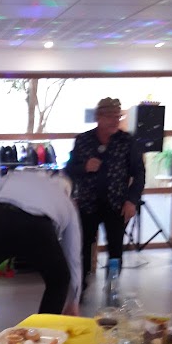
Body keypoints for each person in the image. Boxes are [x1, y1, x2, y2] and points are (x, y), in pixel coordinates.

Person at [0, 169, 81, 319]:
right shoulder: (68, 203)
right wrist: (74, 302)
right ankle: (43, 330)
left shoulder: (19, 175)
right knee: (59, 279)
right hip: (36, 226)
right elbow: (73, 256)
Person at [65, 97, 145, 291]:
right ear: (98, 117)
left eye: (118, 116)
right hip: (87, 205)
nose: (115, 120)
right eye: (110, 116)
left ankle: (112, 288)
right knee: (82, 248)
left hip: (117, 204)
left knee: (115, 250)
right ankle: (79, 289)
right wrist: (84, 167)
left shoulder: (127, 141)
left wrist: (132, 201)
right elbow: (69, 169)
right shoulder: (83, 140)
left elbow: (139, 173)